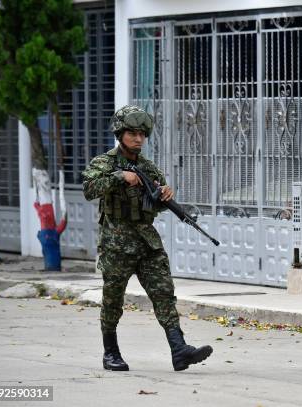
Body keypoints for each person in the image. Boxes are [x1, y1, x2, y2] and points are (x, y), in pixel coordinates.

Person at [82, 105, 213, 371]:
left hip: (147, 242)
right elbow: (89, 188)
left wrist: (164, 194)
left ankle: (179, 350)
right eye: (132, 133)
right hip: (116, 244)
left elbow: (156, 204)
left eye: (142, 133)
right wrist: (121, 177)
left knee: (164, 294)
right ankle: (111, 353)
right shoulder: (104, 163)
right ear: (120, 133)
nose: (138, 138)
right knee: (112, 300)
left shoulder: (149, 168)